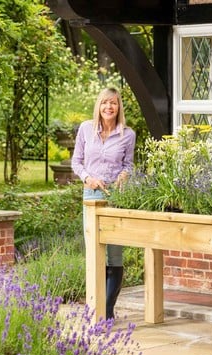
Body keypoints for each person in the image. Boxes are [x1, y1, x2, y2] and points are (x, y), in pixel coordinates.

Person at [72, 87, 136, 320]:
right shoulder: (86, 129)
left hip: (115, 199)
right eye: (104, 103)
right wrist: (88, 178)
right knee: (94, 254)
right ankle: (96, 307)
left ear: (119, 107)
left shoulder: (127, 134)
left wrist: (124, 175)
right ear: (98, 106)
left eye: (113, 103)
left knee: (115, 255)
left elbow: (128, 164)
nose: (109, 107)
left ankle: (107, 312)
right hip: (91, 198)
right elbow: (76, 162)